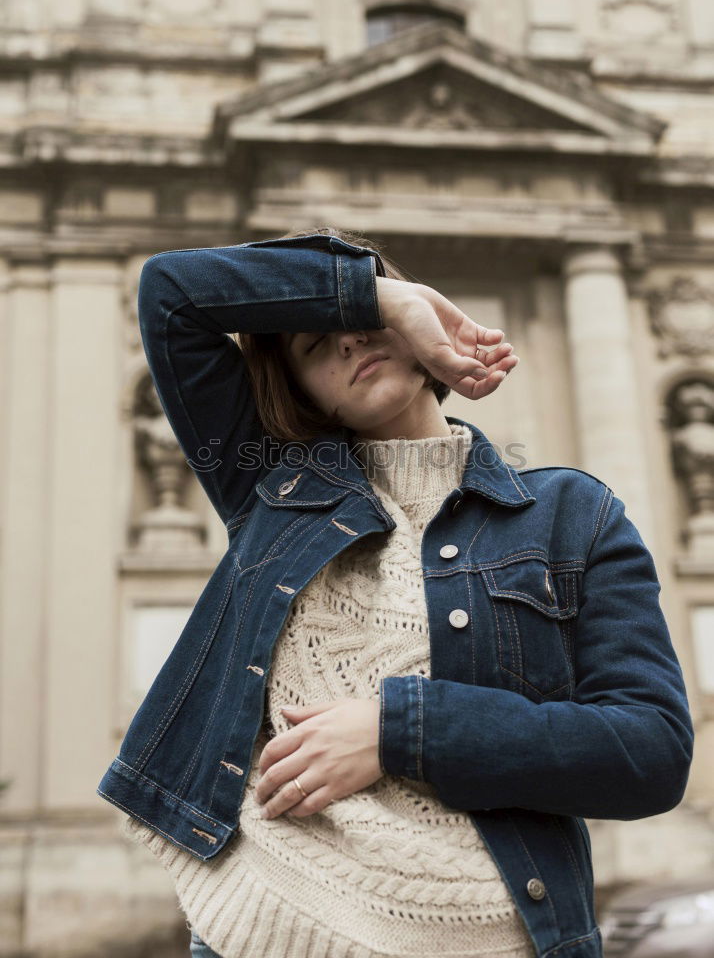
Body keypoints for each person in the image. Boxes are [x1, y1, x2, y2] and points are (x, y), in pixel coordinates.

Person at [98, 225, 693, 958]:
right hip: (264, 930)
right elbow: (171, 293)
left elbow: (651, 752)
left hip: (498, 939)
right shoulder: (271, 491)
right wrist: (383, 298)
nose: (349, 342)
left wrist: (401, 732)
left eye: (366, 327)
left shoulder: (573, 514)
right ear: (301, 393)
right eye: (318, 344)